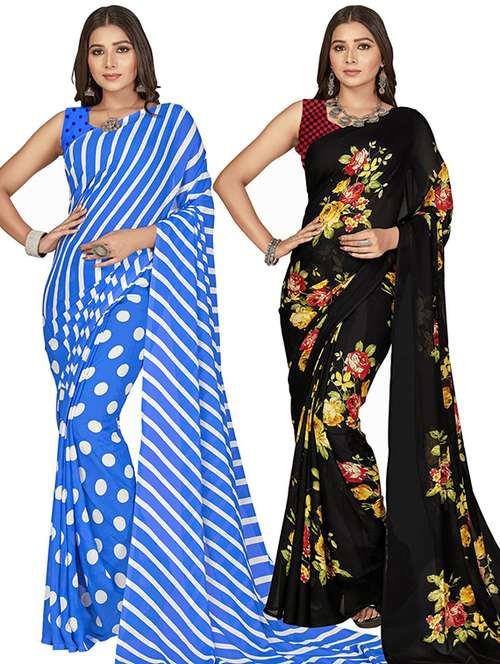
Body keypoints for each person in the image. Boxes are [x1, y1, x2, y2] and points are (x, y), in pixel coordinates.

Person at [0, 5, 388, 663]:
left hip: (145, 285)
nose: (110, 62)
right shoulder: (69, 124)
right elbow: (3, 185)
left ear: (140, 55)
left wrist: (136, 237)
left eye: (121, 49)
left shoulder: (172, 123)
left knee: (95, 423)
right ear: (85, 62)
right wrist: (37, 239)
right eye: (97, 51)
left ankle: (154, 580)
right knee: (80, 432)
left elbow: (197, 207)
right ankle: (119, 594)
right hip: (70, 294)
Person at [213, 4, 500, 663]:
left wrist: (396, 236)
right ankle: (353, 582)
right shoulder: (306, 117)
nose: (349, 57)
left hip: (376, 289)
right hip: (308, 295)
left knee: (332, 420)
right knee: (315, 429)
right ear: (328, 57)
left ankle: (382, 570)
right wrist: (274, 243)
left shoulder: (409, 125)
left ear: (382, 57)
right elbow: (229, 179)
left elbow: (440, 207)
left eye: (362, 45)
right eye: (338, 46)